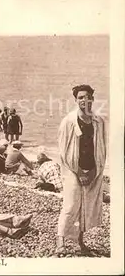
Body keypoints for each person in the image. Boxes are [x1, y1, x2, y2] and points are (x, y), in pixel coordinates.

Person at [55, 84, 107, 256]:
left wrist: (94, 171)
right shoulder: (68, 121)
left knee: (86, 205)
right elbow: (63, 152)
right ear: (76, 100)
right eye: (80, 98)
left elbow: (100, 148)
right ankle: (60, 241)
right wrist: (79, 172)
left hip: (92, 169)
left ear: (92, 98)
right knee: (70, 205)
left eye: (87, 97)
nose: (85, 100)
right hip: (72, 169)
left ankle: (80, 242)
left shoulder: (98, 121)